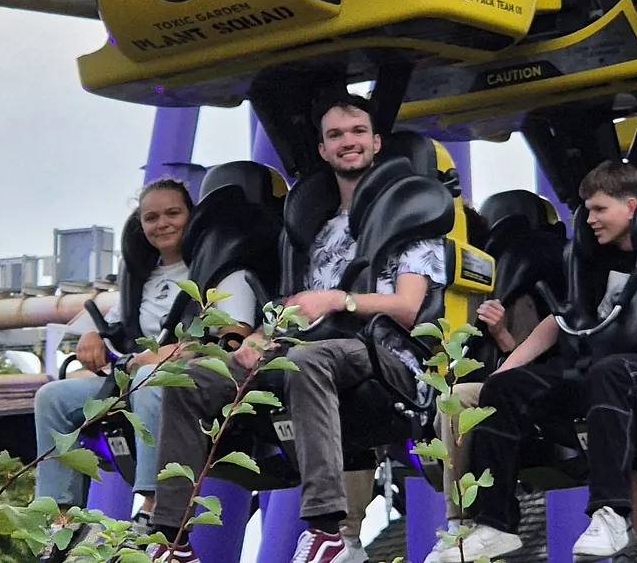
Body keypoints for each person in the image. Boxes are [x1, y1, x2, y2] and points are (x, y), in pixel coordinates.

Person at [143, 93, 447, 563]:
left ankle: (325, 528)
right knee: (191, 376)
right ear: (323, 150)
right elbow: (292, 309)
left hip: (382, 353)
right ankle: (171, 538)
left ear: (376, 142)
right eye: (336, 135)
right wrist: (259, 341)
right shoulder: (315, 228)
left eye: (357, 132)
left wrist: (339, 299)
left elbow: (409, 307)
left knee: (307, 360)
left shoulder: (409, 217)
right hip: (309, 347)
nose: (349, 142)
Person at [454, 160, 637, 561]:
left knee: (608, 372)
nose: (591, 219)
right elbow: (560, 321)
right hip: (591, 372)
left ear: (631, 206)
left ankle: (612, 514)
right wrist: (507, 368)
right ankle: (494, 523)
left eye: (600, 209)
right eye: (587, 210)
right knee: (504, 387)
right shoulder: (592, 259)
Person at [33, 178, 257, 562]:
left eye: (173, 213)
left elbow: (235, 340)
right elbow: (112, 329)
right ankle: (61, 520)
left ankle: (155, 506)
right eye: (151, 217)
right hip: (137, 379)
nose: (162, 224)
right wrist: (91, 335)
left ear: (193, 217)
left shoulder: (222, 272)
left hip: (198, 385)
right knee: (52, 396)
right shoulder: (141, 279)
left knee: (148, 377)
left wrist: (171, 354)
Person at [424, 205, 543, 563]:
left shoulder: (513, 291)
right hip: (452, 393)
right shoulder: (436, 293)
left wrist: (500, 332)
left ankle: (460, 521)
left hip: (515, 392)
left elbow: (534, 361)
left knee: (457, 399)